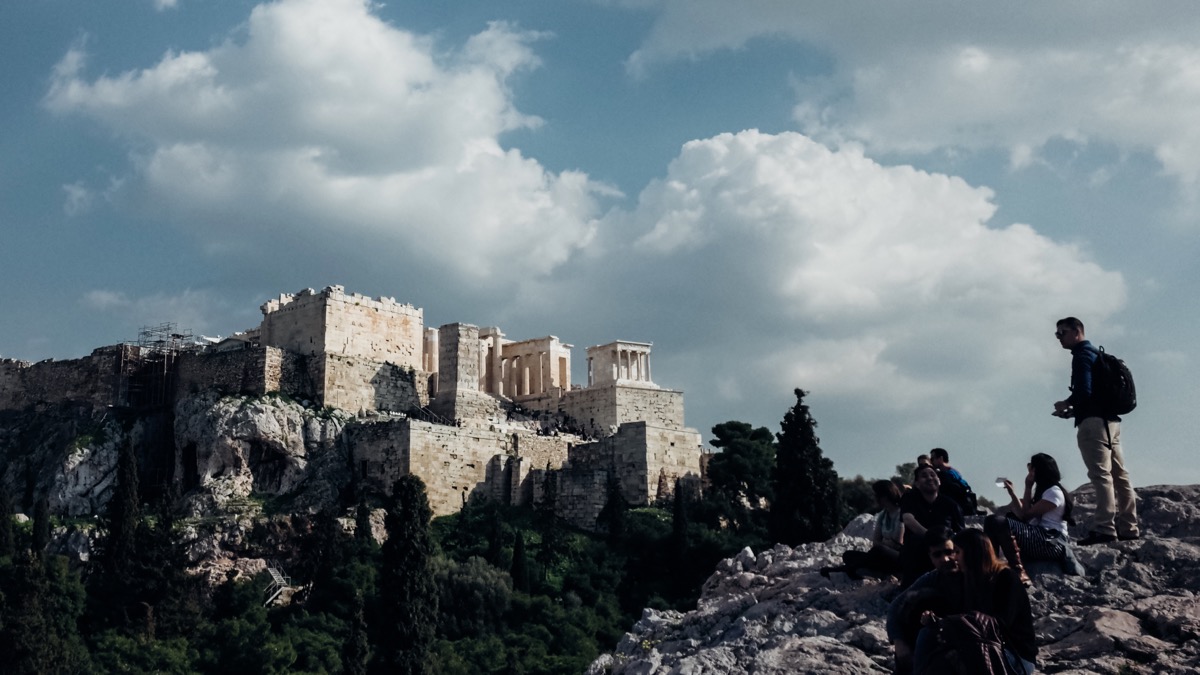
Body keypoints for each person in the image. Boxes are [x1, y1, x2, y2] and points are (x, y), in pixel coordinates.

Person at [1053, 317, 1139, 545]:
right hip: (1111, 422)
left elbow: (1084, 391)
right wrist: (1073, 411)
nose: (1059, 338)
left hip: (1093, 425)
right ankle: (1129, 527)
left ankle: (1105, 528)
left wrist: (1066, 403)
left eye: (1062, 333)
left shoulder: (1081, 356)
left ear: (1076, 332)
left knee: (1101, 476)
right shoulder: (1098, 355)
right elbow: (1094, 395)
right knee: (1121, 475)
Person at [912, 529, 1037, 674]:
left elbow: (1000, 624)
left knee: (963, 655)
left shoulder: (1006, 578)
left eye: (957, 552)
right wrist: (938, 621)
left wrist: (955, 623)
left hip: (1014, 654)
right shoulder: (970, 580)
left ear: (972, 553)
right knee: (927, 635)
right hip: (982, 648)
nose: (955, 558)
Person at [985, 453, 1082, 580]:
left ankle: (1016, 570)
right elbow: (1023, 516)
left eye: (1031, 466)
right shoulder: (1046, 491)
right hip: (1042, 538)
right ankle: (992, 565)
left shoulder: (1054, 492)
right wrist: (1014, 493)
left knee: (996, 522)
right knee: (999, 521)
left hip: (1052, 542)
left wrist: (1028, 486)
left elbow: (1026, 516)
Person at [821, 480, 904, 580]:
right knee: (848, 555)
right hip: (881, 555)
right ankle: (860, 568)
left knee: (879, 551)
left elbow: (898, 542)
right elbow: (876, 541)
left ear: (884, 496)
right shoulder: (883, 515)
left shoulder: (901, 513)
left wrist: (884, 543)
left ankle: (845, 569)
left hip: (898, 557)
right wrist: (887, 542)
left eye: (876, 495)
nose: (874, 498)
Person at [899, 465, 965, 588]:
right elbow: (908, 519)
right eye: (924, 476)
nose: (930, 478)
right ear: (917, 484)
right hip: (918, 549)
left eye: (933, 475)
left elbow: (961, 533)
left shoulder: (951, 505)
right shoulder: (910, 499)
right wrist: (931, 538)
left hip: (945, 552)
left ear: (939, 481)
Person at [929, 447, 980, 516]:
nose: (931, 462)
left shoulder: (944, 475)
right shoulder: (954, 471)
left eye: (932, 459)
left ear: (940, 459)